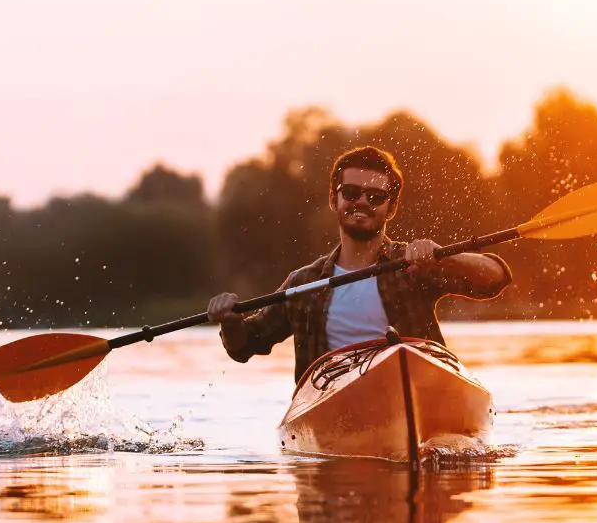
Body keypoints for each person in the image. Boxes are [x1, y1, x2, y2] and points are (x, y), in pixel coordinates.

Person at [207, 145, 512, 381]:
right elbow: (244, 346)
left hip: (417, 385)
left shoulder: (413, 266)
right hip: (332, 402)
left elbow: (496, 278)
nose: (362, 202)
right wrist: (229, 321)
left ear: (390, 208)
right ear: (334, 199)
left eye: (376, 196)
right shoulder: (303, 283)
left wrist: (445, 256)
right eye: (351, 193)